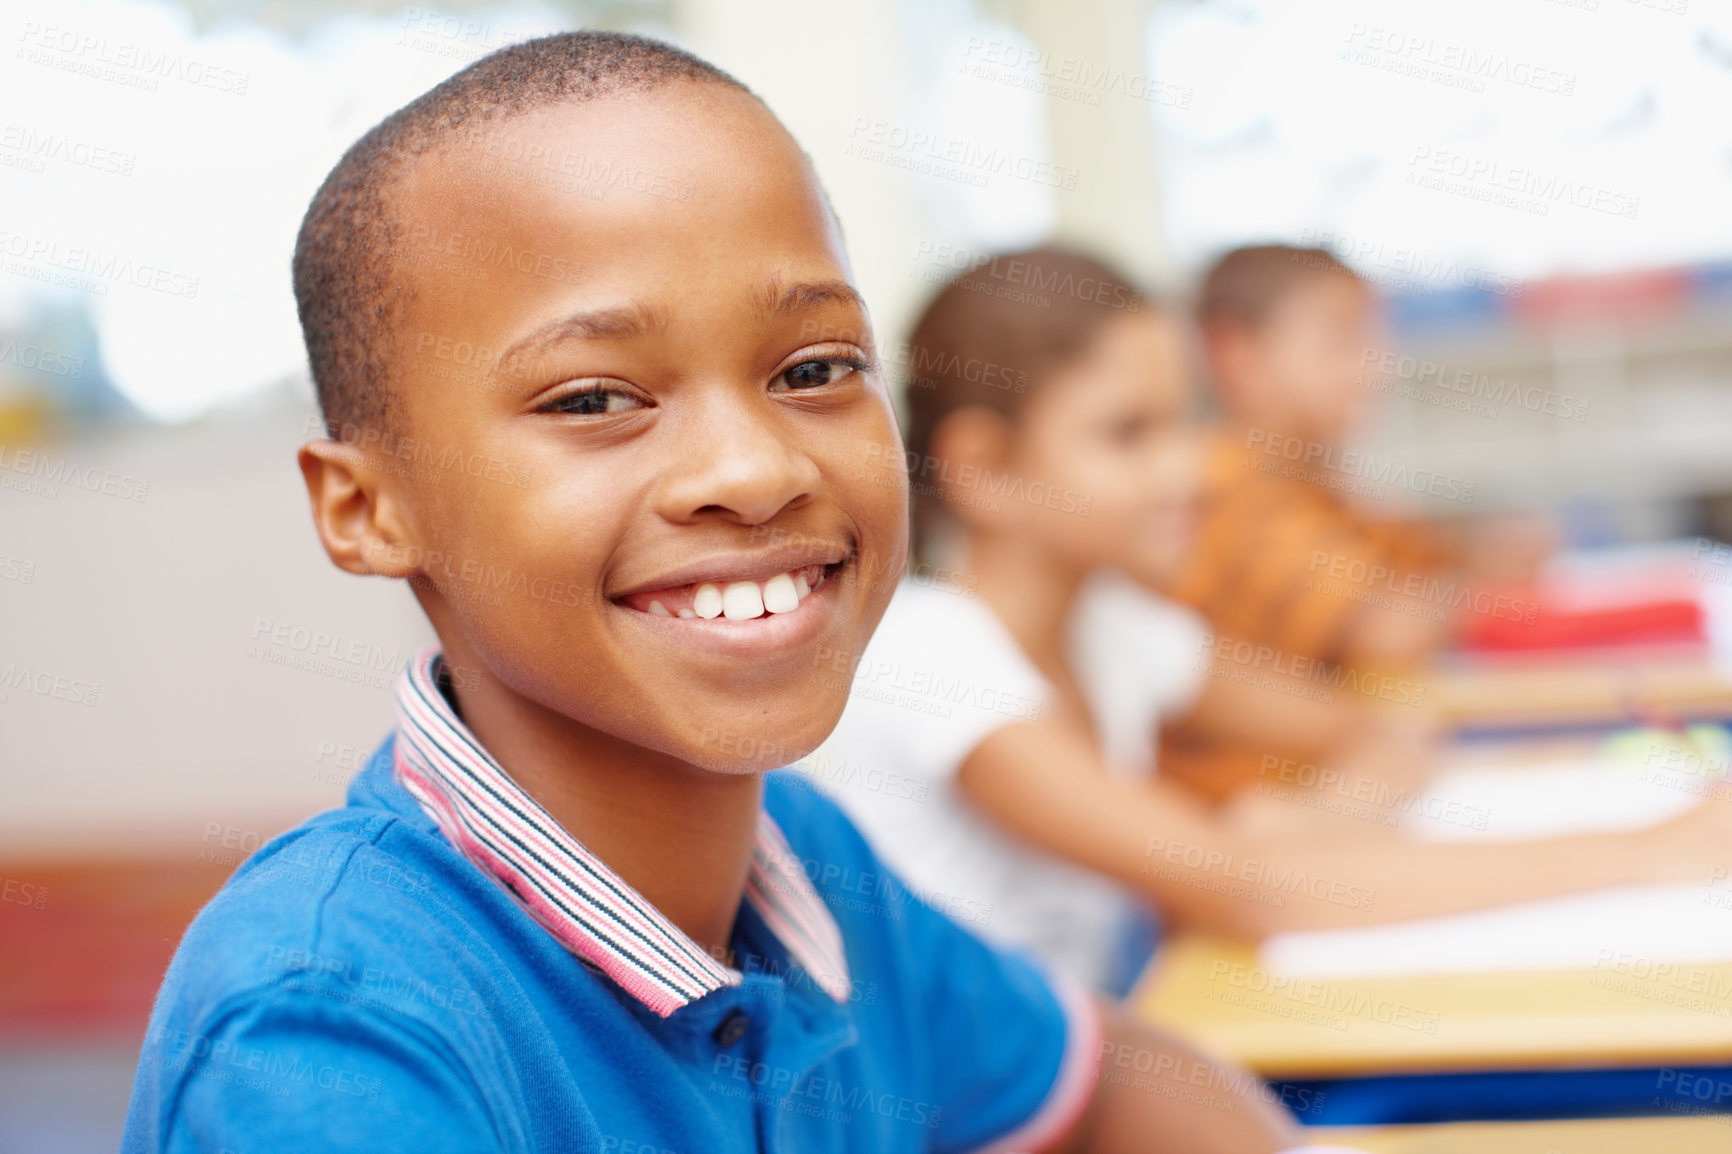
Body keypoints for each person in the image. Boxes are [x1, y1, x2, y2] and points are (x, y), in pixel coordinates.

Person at [119, 32, 1308, 1154]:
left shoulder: (796, 856)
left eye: (813, 369)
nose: (754, 468)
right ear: (367, 510)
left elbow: (1124, 1083)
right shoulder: (326, 1034)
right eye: (592, 398)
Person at [814, 246, 1732, 996]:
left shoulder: (1117, 628)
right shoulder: (930, 658)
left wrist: (1308, 814)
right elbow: (1249, 891)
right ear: (985, 470)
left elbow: (1373, 731)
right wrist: (1653, 850)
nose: (1187, 469)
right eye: (1129, 434)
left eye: (1185, 424)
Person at [1158, 244, 1545, 801]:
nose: (1373, 367)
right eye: (1341, 342)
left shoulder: (1310, 481)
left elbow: (1425, 559)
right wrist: (1468, 588)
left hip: (1349, 776)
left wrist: (1473, 566)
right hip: (1266, 804)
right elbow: (1389, 631)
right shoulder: (1225, 485)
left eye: (1372, 340)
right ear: (1235, 352)